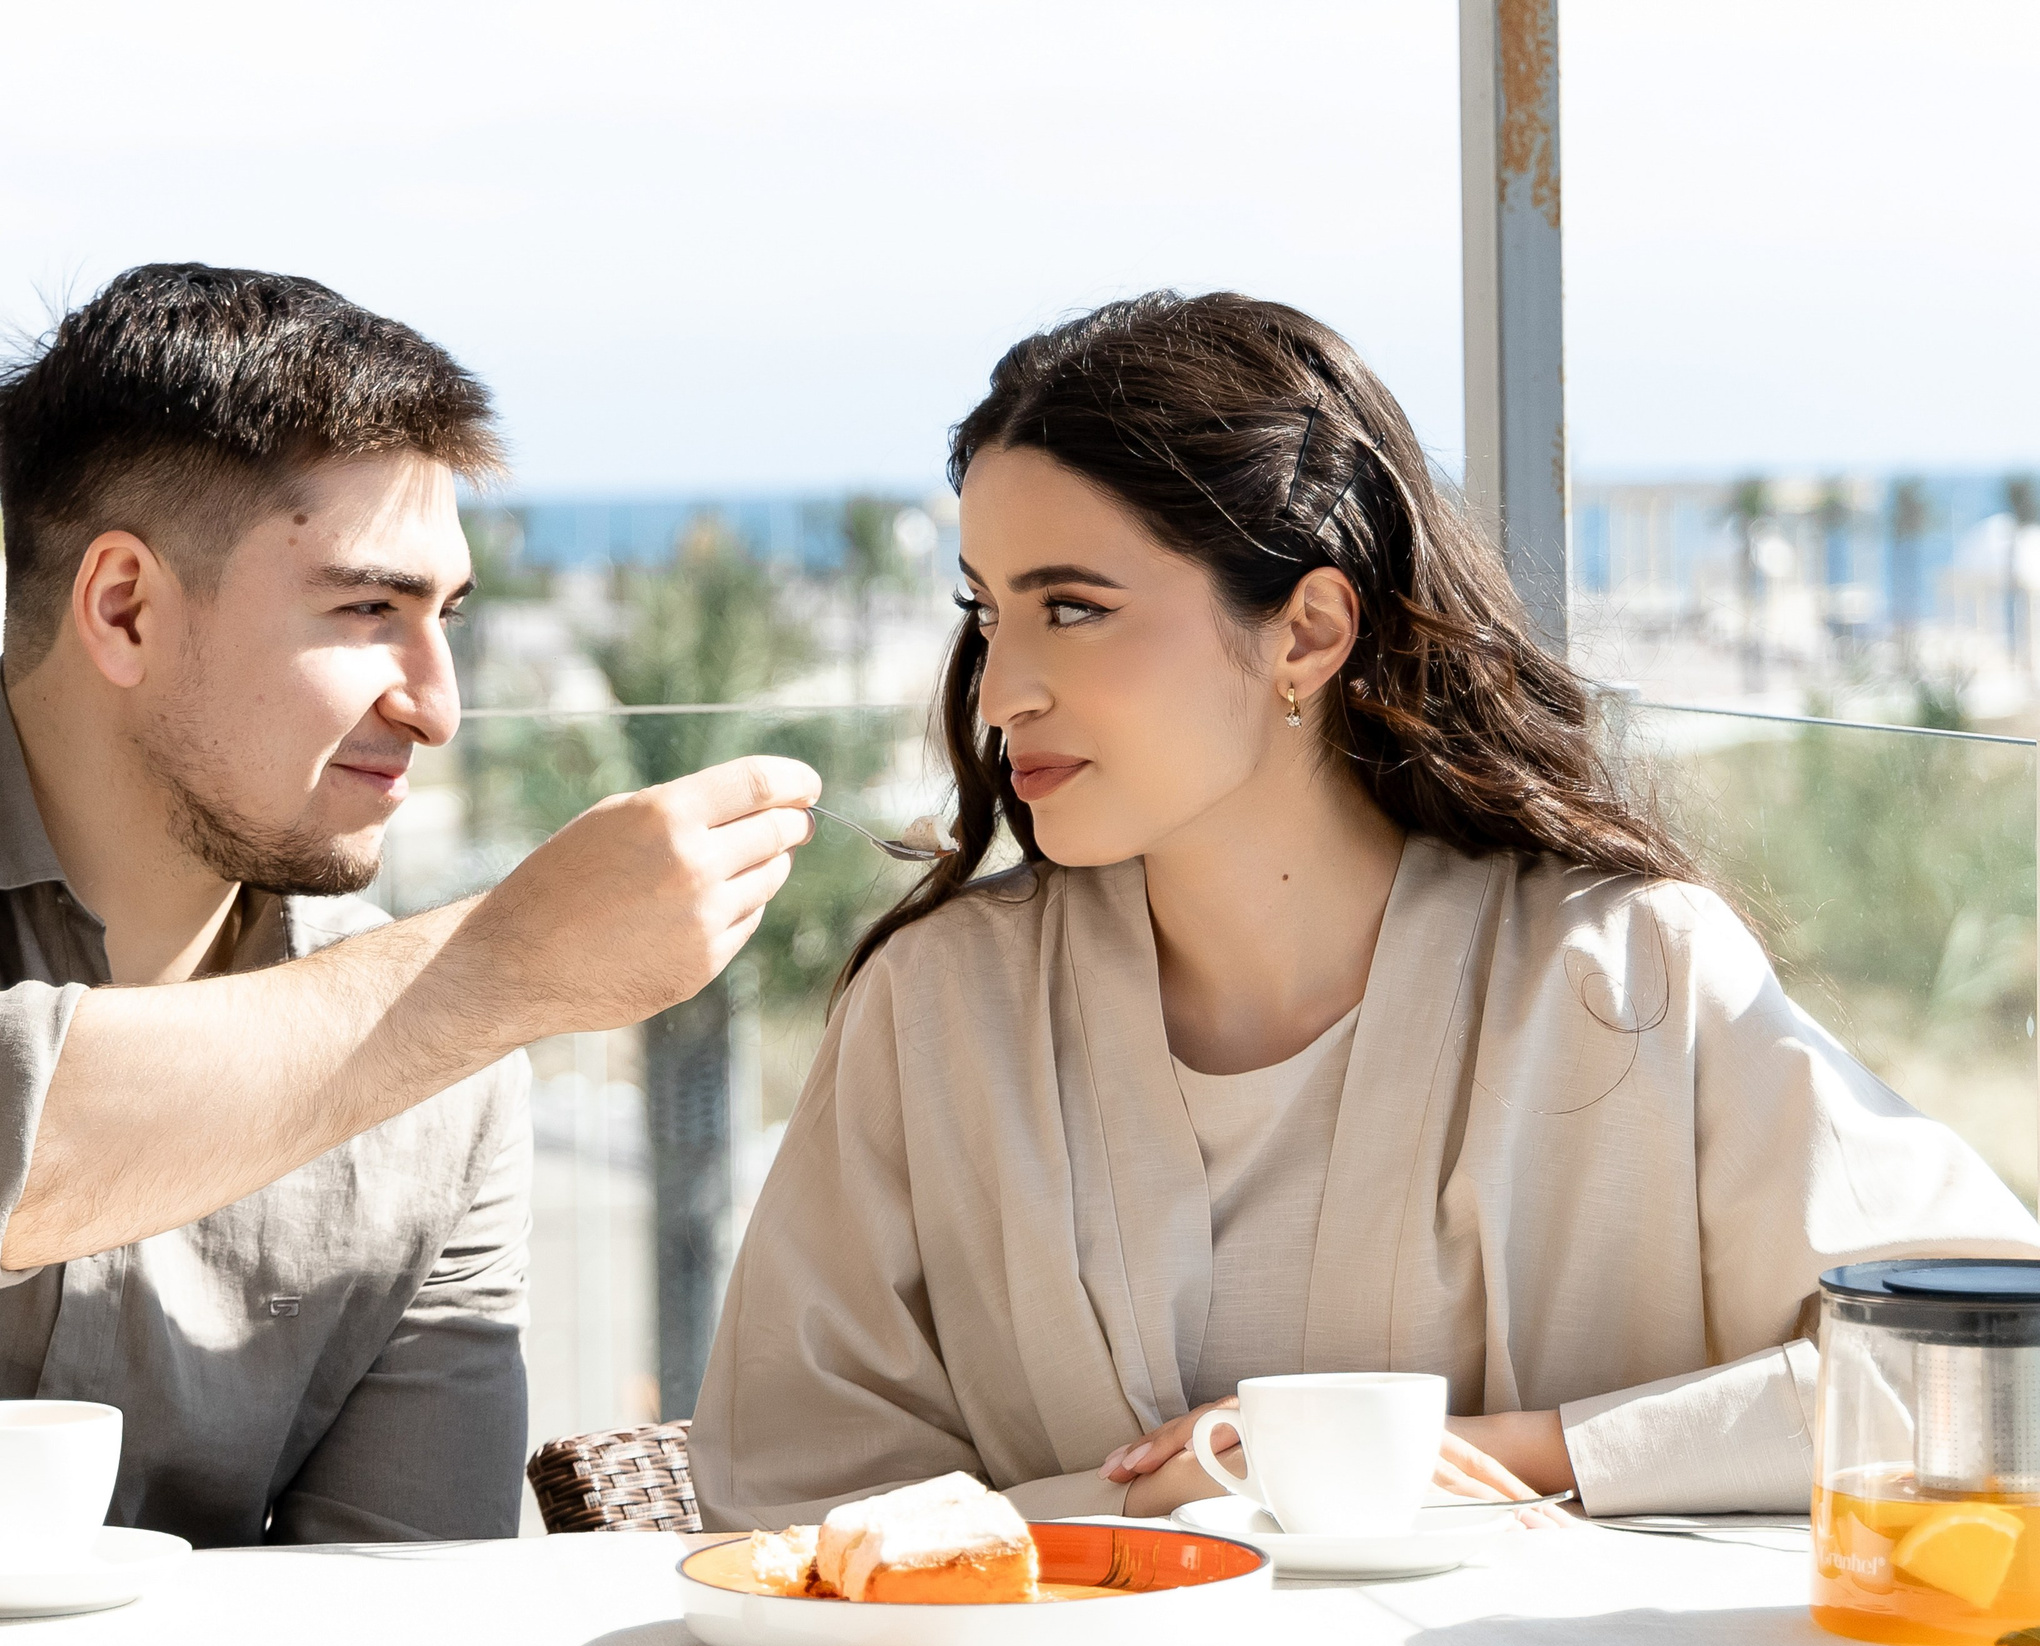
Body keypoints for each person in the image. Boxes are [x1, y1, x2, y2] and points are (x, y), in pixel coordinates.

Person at [0, 263, 820, 1573]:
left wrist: (482, 994)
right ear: (124, 608)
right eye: (369, 610)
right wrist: (503, 968)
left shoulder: (441, 1090)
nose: (437, 704)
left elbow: (399, 1617)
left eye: (447, 619)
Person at [689, 291, 2040, 1530]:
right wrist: (1180, 1520)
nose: (998, 693)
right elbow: (789, 1498)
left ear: (1309, 633)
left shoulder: (1628, 971)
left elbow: (1985, 1377)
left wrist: (1503, 1455)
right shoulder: (936, 1011)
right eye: (989, 614)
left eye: (1076, 610)